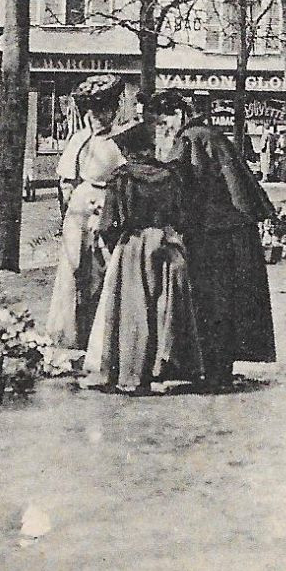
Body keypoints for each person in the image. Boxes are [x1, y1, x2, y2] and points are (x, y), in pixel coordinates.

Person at [146, 90, 277, 390]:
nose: (163, 127)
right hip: (233, 231)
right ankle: (220, 369)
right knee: (228, 301)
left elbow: (180, 185)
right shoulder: (210, 134)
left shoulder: (190, 139)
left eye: (164, 120)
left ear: (178, 113)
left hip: (213, 235)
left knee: (211, 301)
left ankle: (213, 372)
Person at [82, 120, 207, 394]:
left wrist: (115, 245)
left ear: (128, 150)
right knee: (167, 307)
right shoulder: (171, 176)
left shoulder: (122, 179)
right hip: (167, 243)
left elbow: (107, 225)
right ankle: (166, 368)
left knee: (133, 310)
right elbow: (184, 217)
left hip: (135, 245)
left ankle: (132, 372)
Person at [45, 75, 128, 352]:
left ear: (114, 110)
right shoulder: (79, 141)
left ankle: (101, 337)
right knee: (76, 268)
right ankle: (71, 335)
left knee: (105, 270)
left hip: (111, 206)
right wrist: (75, 208)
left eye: (103, 110)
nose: (97, 117)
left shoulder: (123, 140)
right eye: (93, 111)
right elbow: (66, 182)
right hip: (80, 210)